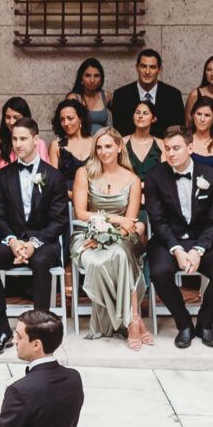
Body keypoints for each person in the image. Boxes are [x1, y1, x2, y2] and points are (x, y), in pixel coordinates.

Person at [0, 116, 64, 354]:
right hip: (12, 239)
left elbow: (59, 221)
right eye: (15, 139)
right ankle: (4, 328)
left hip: (43, 241)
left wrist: (33, 244)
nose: (18, 144)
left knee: (40, 261)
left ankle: (39, 329)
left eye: (23, 138)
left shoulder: (53, 177)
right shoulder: (3, 176)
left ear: (36, 140)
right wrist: (14, 241)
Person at [144, 129, 213, 349]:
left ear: (190, 148)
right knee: (159, 272)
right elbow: (157, 220)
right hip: (168, 240)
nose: (171, 153)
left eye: (176, 148)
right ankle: (183, 323)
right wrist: (176, 249)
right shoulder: (155, 176)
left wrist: (198, 250)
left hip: (202, 240)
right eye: (167, 149)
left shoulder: (210, 175)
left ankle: (205, 322)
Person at [70, 128, 146, 346]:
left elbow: (130, 222)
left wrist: (110, 234)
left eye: (108, 146)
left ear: (119, 147)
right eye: (99, 147)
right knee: (96, 261)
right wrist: (114, 219)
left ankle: (131, 322)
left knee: (121, 254)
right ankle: (130, 319)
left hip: (122, 236)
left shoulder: (133, 179)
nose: (103, 152)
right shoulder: (84, 173)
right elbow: (81, 213)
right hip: (87, 234)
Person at [109, 48, 185, 137]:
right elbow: (120, 132)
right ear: (137, 68)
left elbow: (177, 132)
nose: (147, 71)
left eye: (152, 67)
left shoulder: (173, 96)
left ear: (160, 70)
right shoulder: (121, 95)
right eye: (143, 66)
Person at [48, 97, 96, 183]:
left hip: (93, 194)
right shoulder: (56, 145)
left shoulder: (95, 142)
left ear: (80, 118)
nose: (66, 123)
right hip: (65, 194)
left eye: (70, 118)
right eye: (62, 119)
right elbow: (53, 181)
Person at [183, 98, 213, 179]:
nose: (202, 119)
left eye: (207, 115)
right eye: (198, 114)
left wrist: (203, 174)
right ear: (192, 115)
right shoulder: (184, 139)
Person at [119, 96, 162, 179]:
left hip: (154, 190)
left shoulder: (161, 144)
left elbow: (164, 174)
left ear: (154, 119)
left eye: (145, 113)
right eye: (137, 112)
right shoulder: (122, 142)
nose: (140, 116)